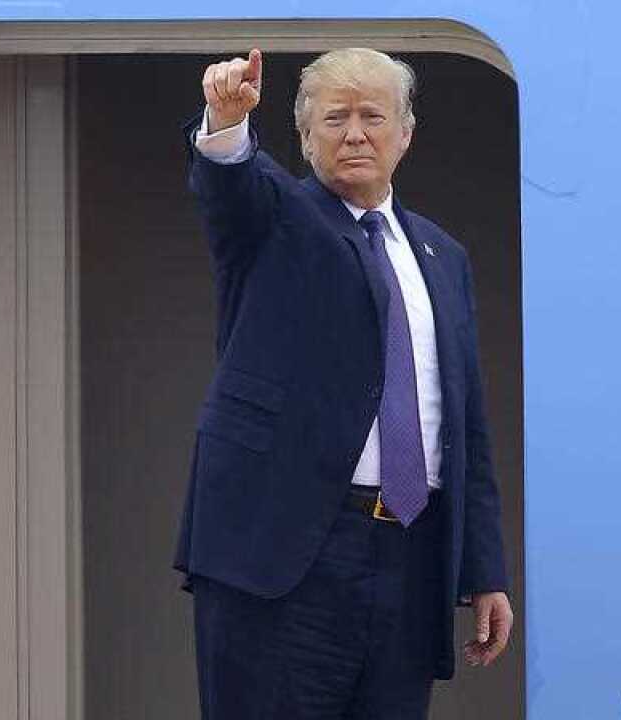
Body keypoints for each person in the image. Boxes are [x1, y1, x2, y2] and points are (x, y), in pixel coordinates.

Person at [171, 47, 513, 719]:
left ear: (405, 134)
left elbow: (463, 424)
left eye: (372, 116)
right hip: (286, 557)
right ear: (304, 136)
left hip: (409, 560)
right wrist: (226, 119)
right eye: (334, 118)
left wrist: (484, 571)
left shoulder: (444, 258)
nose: (355, 133)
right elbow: (229, 185)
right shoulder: (274, 221)